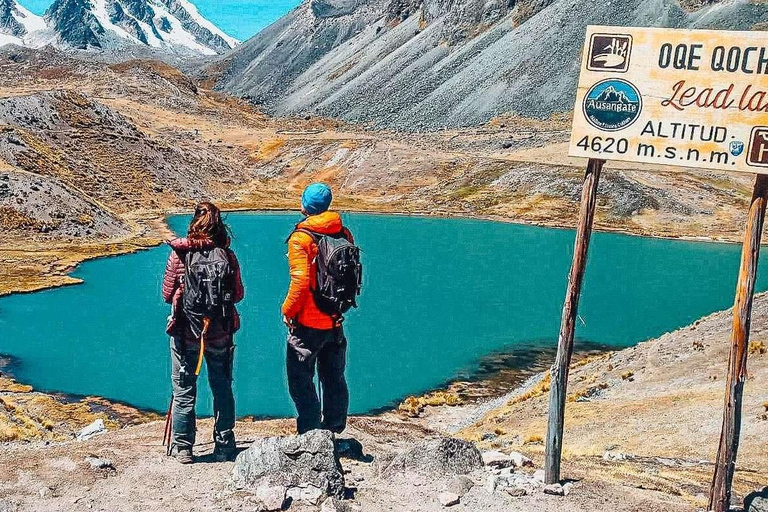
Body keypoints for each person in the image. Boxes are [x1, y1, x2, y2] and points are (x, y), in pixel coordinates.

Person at [162, 202, 244, 463]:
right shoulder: (227, 256)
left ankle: (184, 447)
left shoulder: (180, 254)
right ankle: (224, 444)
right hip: (220, 333)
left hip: (187, 332)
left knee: (184, 389)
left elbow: (166, 294)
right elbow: (239, 295)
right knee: (222, 387)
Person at [282, 183, 354, 434]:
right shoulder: (343, 233)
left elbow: (300, 282)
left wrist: (288, 310)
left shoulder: (301, 239)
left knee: (301, 380)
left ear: (306, 206)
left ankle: (311, 433)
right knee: (334, 378)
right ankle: (334, 428)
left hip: (308, 325)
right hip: (335, 318)